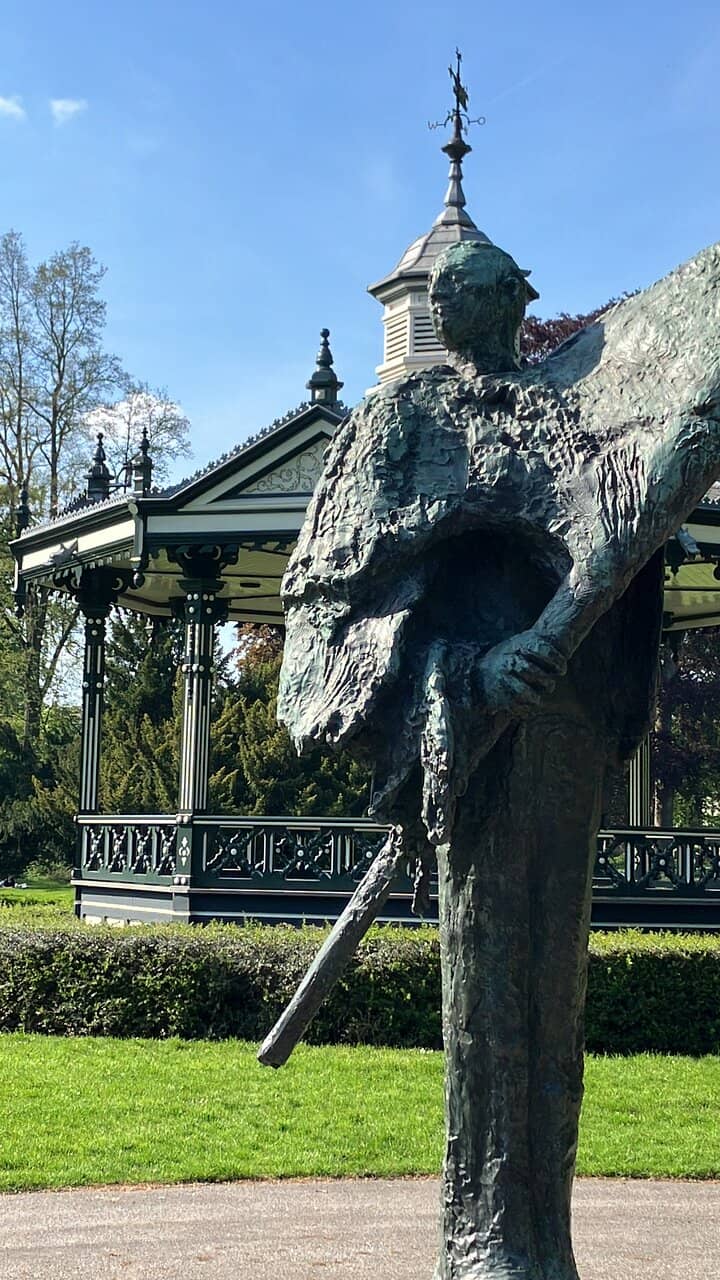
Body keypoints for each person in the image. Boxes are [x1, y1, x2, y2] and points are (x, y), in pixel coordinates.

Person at [279, 237, 720, 1279]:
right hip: (480, 741)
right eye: (446, 289)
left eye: (484, 285)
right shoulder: (402, 422)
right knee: (488, 1001)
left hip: (567, 735)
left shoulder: (570, 416)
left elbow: (624, 543)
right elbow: (325, 620)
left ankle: (542, 1241)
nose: (457, 299)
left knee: (554, 1004)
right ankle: (485, 1244)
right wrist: (469, 674)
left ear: (521, 300)